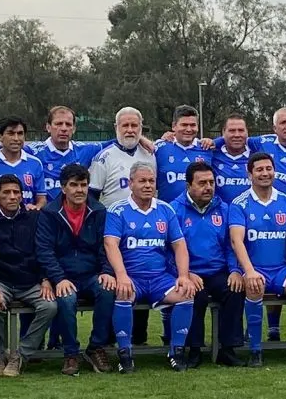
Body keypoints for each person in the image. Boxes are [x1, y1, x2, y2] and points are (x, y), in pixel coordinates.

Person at [229, 151, 286, 367]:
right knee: (254, 286)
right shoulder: (239, 203)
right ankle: (255, 350)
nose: (265, 173)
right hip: (254, 268)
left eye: (268, 169)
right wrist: (249, 271)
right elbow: (237, 241)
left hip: (281, 270)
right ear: (249, 174)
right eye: (259, 169)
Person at [104, 163, 196, 373]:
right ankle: (125, 354)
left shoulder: (165, 209)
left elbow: (179, 245)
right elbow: (111, 244)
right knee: (122, 293)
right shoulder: (118, 210)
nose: (147, 185)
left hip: (159, 278)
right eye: (142, 181)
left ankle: (176, 351)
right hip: (132, 277)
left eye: (151, 181)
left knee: (185, 293)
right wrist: (121, 275)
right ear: (130, 183)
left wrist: (183, 276)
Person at [35, 163, 118, 374]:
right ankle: (71, 353)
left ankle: (96, 347)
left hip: (91, 275)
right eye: (74, 185)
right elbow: (44, 250)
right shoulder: (49, 213)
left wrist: (107, 272)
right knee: (66, 298)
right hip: (63, 276)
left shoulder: (99, 211)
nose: (79, 190)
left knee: (108, 290)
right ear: (63, 188)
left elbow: (106, 245)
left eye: (83, 185)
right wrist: (58, 278)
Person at [0, 105, 151, 202]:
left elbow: (120, 141)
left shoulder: (85, 150)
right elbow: (8, 148)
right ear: (48, 127)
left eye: (68, 125)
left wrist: (141, 138)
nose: (63, 129)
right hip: (44, 216)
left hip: (73, 214)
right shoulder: (35, 151)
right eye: (58, 124)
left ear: (74, 128)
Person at [0, 174, 63, 377]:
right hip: (2, 281)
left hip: (31, 282)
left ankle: (20, 354)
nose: (12, 196)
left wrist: (45, 279)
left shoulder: (34, 216)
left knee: (50, 306)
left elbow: (44, 249)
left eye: (16, 192)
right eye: (6, 193)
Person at [90, 107, 158, 346]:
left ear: (141, 128)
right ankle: (110, 337)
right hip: (113, 232)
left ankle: (139, 337)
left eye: (134, 126)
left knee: (143, 275)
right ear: (116, 128)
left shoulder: (150, 155)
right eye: (125, 126)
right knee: (117, 281)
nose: (130, 130)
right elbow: (92, 197)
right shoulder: (104, 157)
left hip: (144, 230)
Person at [170, 161, 245, 368]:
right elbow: (169, 249)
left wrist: (236, 271)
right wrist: (184, 273)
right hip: (190, 272)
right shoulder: (174, 210)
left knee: (235, 289)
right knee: (195, 295)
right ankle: (194, 350)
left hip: (218, 271)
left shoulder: (224, 209)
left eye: (211, 182)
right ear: (188, 186)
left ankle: (227, 349)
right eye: (202, 183)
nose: (208, 187)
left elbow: (231, 245)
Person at [0, 116, 46, 213]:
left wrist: (36, 208)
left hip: (26, 221)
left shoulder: (35, 163)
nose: (16, 138)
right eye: (11, 133)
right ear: (0, 137)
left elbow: (42, 199)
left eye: (20, 134)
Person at [154, 105, 212, 203]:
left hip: (198, 214)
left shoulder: (207, 148)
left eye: (193, 125)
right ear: (174, 126)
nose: (189, 129)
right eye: (184, 125)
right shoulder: (159, 148)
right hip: (168, 212)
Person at [212, 114, 253, 204]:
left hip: (249, 216)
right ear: (223, 132)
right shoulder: (212, 155)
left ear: (247, 132)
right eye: (232, 131)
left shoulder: (256, 157)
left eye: (241, 130)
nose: (237, 135)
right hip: (220, 214)